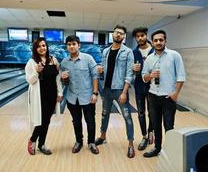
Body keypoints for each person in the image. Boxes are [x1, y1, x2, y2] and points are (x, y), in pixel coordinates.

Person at [142, 30, 186, 157]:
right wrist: (150, 76)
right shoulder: (149, 59)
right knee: (156, 125)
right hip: (153, 96)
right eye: (155, 40)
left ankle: (170, 151)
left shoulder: (174, 55)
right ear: (153, 42)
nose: (158, 42)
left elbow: (181, 76)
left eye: (161, 40)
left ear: (165, 41)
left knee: (168, 126)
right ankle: (157, 148)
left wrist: (176, 93)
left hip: (168, 97)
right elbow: (144, 77)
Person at [95, 25, 136, 158]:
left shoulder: (128, 52)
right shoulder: (106, 51)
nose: (119, 35)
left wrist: (124, 92)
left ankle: (130, 143)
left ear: (124, 37)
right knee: (104, 114)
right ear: (112, 34)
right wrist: (100, 71)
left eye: (122, 34)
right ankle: (102, 136)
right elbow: (103, 70)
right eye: (117, 32)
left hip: (119, 89)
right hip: (106, 89)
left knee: (127, 117)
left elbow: (129, 73)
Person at [60, 35, 99, 155]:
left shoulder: (88, 58)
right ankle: (78, 142)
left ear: (78, 45)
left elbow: (95, 76)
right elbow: (63, 81)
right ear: (67, 47)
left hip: (87, 97)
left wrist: (95, 93)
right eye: (69, 44)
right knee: (76, 122)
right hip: (72, 98)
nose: (71, 46)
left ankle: (91, 142)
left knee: (90, 121)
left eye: (73, 44)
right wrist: (63, 78)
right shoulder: (64, 62)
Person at [25, 37, 63, 155]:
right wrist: (37, 71)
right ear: (35, 49)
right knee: (42, 121)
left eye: (44, 45)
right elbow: (30, 80)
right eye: (39, 46)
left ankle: (42, 145)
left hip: (52, 95)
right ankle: (32, 140)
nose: (42, 48)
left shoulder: (53, 60)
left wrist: (60, 92)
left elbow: (58, 78)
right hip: (39, 96)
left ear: (47, 47)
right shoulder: (31, 62)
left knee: (46, 121)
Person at [132, 27, 155, 151]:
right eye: (137, 36)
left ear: (146, 36)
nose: (140, 38)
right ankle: (144, 136)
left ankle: (151, 131)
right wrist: (132, 69)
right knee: (141, 113)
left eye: (142, 35)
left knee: (152, 112)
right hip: (139, 87)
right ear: (135, 38)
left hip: (154, 87)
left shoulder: (155, 50)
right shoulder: (133, 52)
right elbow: (130, 70)